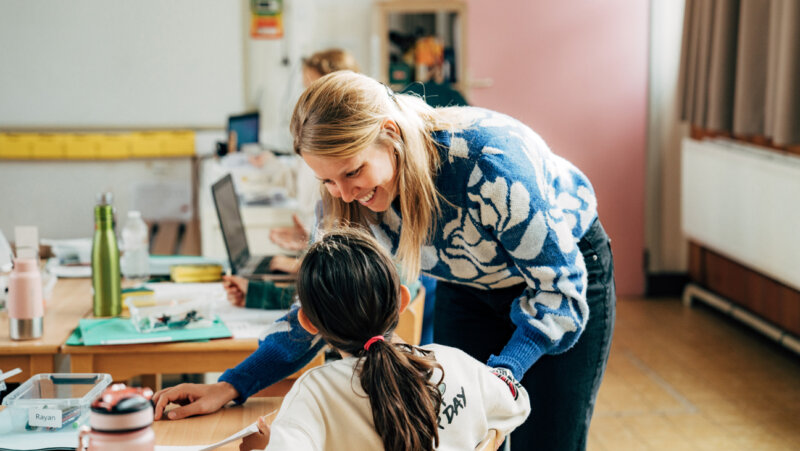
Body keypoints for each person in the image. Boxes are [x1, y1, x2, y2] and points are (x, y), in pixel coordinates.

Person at [155, 71, 615, 450]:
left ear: (390, 135)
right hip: (469, 282)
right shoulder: (343, 198)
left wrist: (501, 373)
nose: (344, 192)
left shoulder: (487, 164)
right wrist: (231, 386)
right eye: (328, 180)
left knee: (547, 441)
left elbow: (559, 290)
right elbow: (322, 309)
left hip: (561, 282)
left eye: (353, 171)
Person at [239, 228, 530, 450]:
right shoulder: (450, 362)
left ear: (308, 324)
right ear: (402, 300)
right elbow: (516, 403)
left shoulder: (315, 391)